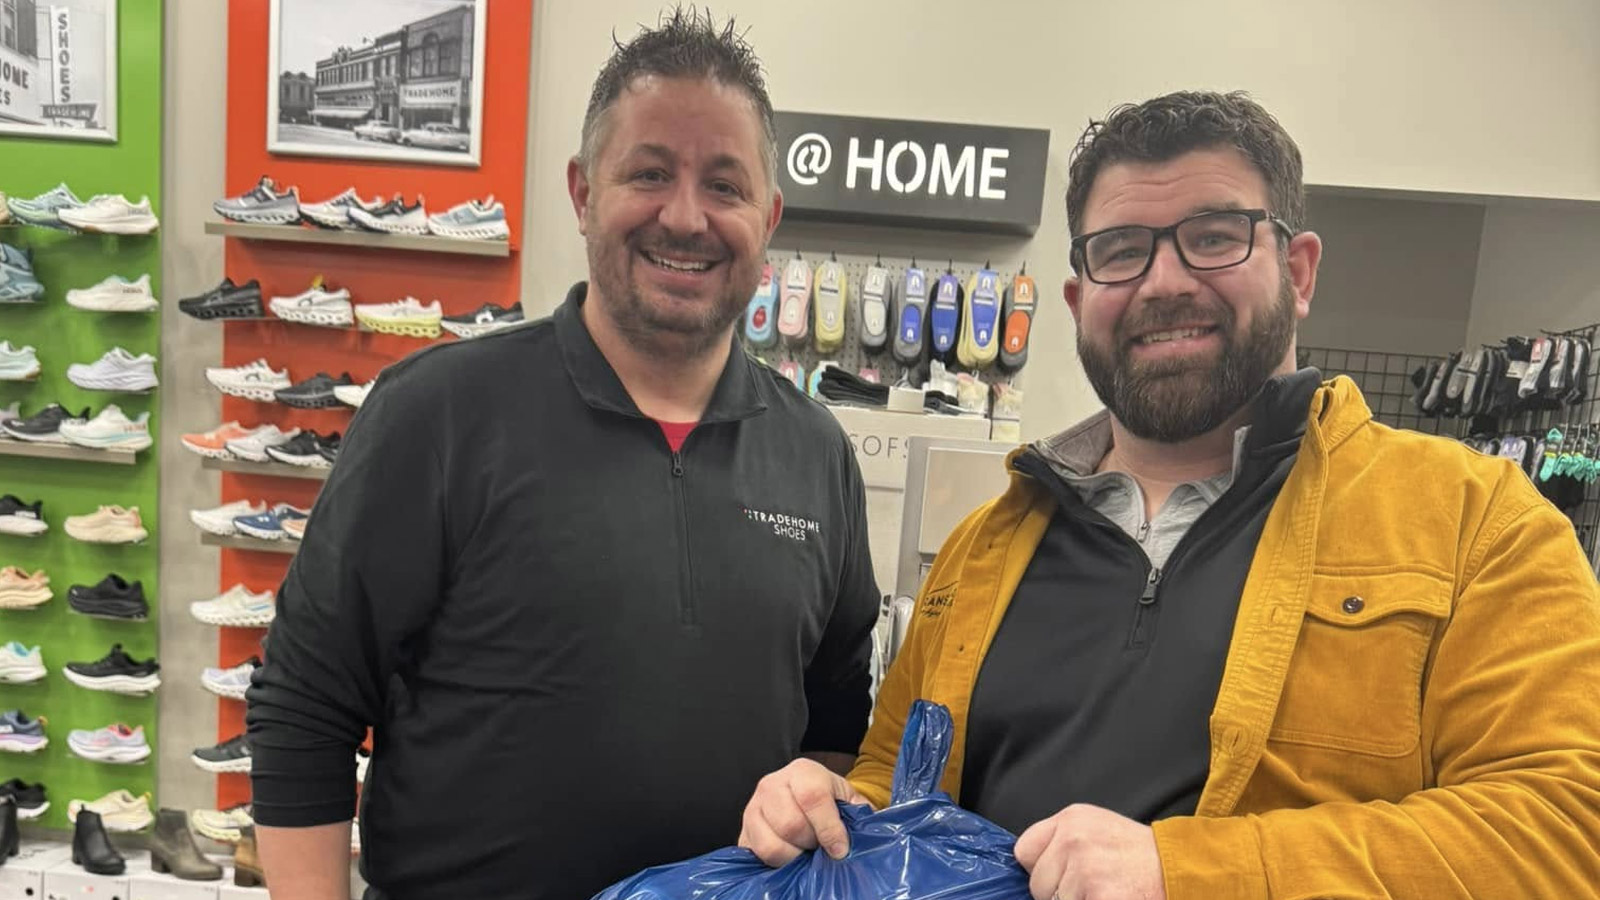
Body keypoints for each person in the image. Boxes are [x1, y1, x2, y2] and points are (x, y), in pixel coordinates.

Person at [737, 91, 1600, 899]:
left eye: (1215, 236)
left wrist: (1184, 873)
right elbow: (895, 788)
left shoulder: (1474, 520)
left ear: (1298, 271)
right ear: (1078, 301)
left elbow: (1567, 829)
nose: (1164, 282)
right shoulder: (985, 546)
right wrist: (827, 805)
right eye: (1122, 251)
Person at [246, 10, 880, 899]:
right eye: (649, 173)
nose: (687, 216)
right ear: (583, 193)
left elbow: (839, 720)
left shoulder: (817, 455)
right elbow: (304, 707)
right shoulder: (437, 413)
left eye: (725, 187)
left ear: (768, 217)